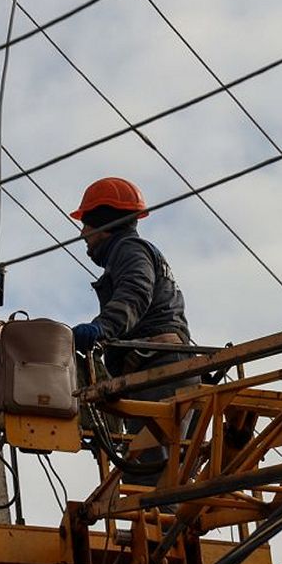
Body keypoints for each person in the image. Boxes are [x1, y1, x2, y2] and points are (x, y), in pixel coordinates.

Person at [68, 176, 196, 483]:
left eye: (87, 224)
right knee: (161, 476)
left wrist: (102, 328)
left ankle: (163, 530)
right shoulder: (130, 253)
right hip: (165, 367)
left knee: (149, 480)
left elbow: (135, 293)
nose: (83, 233)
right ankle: (167, 528)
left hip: (159, 369)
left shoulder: (129, 250)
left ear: (104, 223)